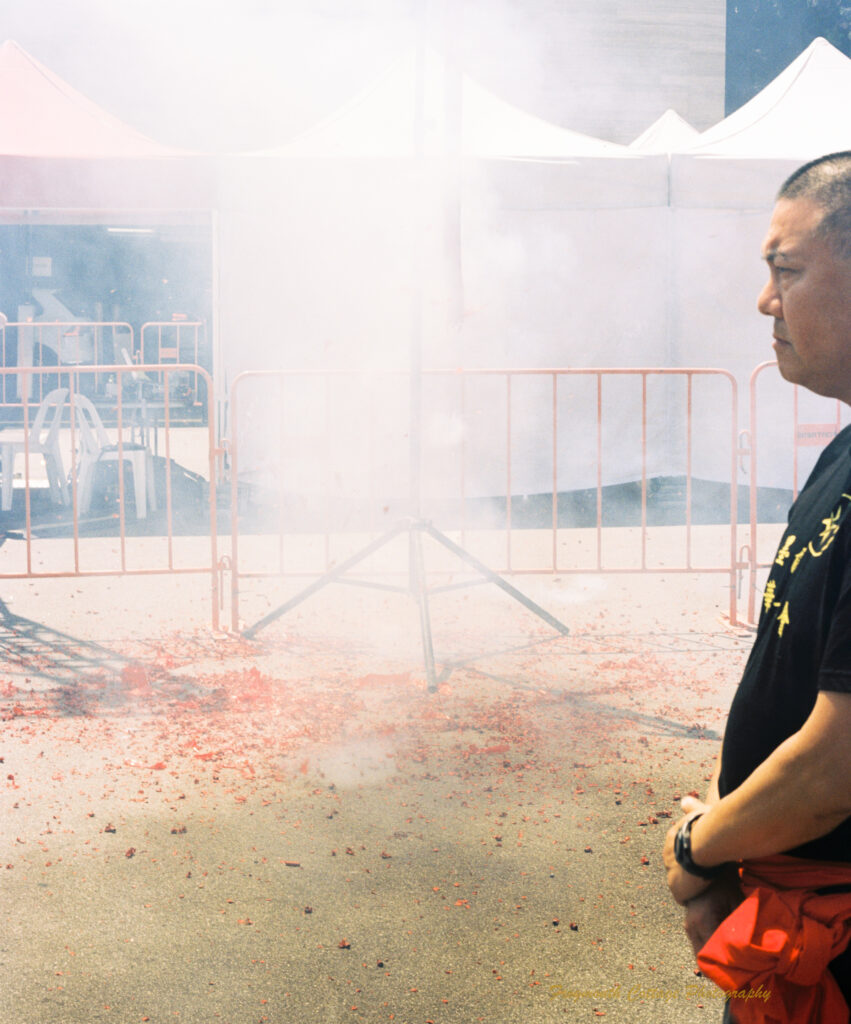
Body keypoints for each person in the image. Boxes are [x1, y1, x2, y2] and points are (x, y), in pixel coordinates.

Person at [663, 150, 851, 1024]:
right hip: (772, 898)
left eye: (786, 271)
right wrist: (731, 830)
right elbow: (782, 665)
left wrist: (697, 848)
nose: (764, 301)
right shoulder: (839, 452)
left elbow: (834, 764)